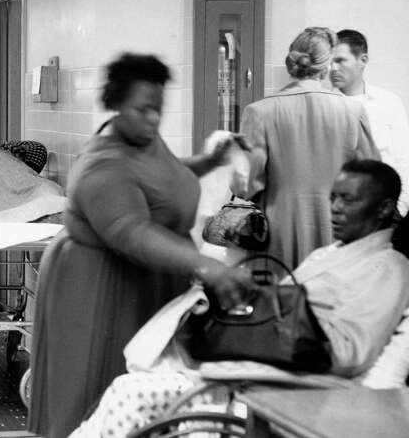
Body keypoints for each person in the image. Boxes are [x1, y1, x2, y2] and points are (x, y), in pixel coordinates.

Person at [73, 160, 409, 438]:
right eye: (333, 197)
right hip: (268, 366)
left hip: (296, 387)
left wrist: (271, 333)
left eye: (348, 200)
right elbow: (290, 305)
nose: (334, 209)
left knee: (129, 395)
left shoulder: (387, 268)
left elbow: (351, 353)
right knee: (129, 386)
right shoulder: (329, 253)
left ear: (383, 209)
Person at [28, 53, 253, 438]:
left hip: (144, 279)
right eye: (143, 110)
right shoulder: (103, 165)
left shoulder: (143, 141)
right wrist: (207, 266)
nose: (152, 119)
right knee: (97, 391)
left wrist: (210, 161)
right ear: (116, 104)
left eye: (158, 110)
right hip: (98, 287)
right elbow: (131, 231)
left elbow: (165, 175)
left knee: (141, 397)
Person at [237, 27, 379, 267]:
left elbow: (245, 184)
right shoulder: (353, 112)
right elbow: (373, 179)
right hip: (338, 232)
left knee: (282, 299)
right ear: (327, 65)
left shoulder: (259, 112)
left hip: (277, 236)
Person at [331, 29, 409, 214]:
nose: (333, 68)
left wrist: (400, 208)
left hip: (383, 210)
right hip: (338, 213)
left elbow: (403, 160)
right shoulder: (324, 106)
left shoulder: (389, 102)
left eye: (340, 60)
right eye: (330, 61)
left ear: (363, 60)